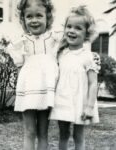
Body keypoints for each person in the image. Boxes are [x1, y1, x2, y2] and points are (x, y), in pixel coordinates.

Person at [8, 0, 62, 149]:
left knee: (43, 133)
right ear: (23, 19)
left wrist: (90, 57)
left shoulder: (53, 39)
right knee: (29, 131)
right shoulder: (22, 41)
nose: (34, 20)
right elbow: (19, 66)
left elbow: (74, 43)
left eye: (39, 15)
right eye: (29, 16)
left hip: (45, 90)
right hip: (28, 91)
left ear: (48, 17)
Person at [50, 6, 100, 150]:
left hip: (80, 102)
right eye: (69, 26)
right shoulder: (60, 54)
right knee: (63, 134)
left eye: (78, 28)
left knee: (78, 136)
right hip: (62, 99)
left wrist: (89, 107)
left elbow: (93, 83)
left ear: (87, 34)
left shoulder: (89, 56)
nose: (71, 31)